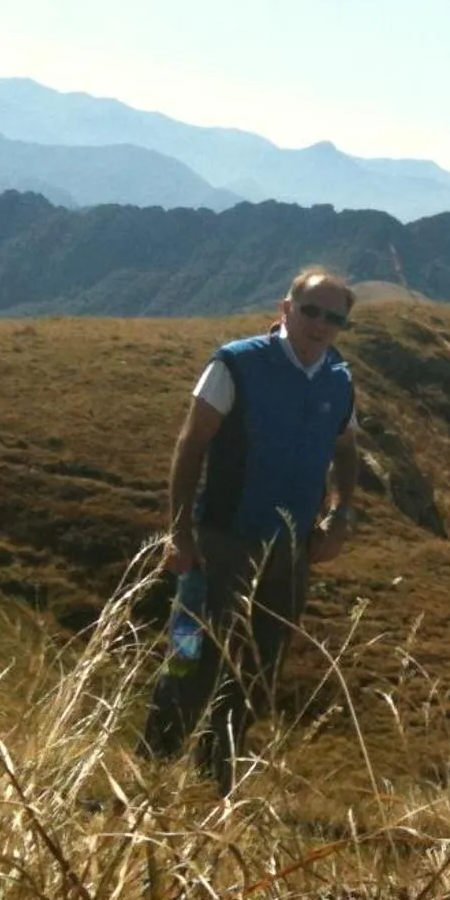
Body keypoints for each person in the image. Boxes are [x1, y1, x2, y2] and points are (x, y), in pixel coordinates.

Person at [141, 267, 361, 790]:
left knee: (261, 666)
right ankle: (152, 764)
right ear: (286, 308)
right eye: (311, 311)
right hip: (219, 539)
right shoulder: (235, 364)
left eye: (335, 318)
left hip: (290, 552)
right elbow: (190, 446)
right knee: (188, 652)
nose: (321, 325)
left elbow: (347, 450)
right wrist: (180, 532)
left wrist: (339, 513)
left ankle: (216, 777)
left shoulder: (339, 379)